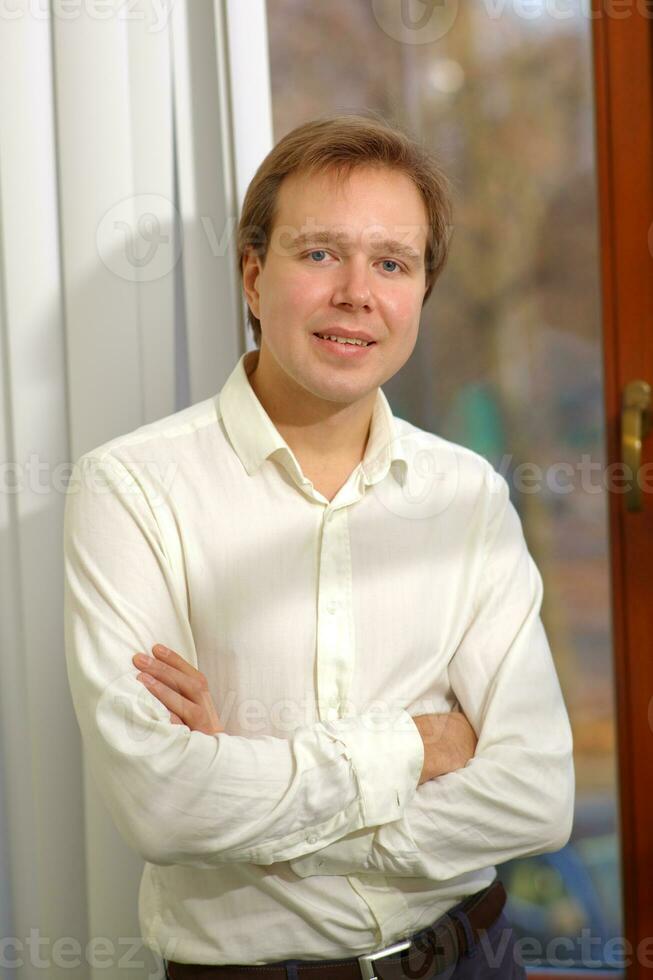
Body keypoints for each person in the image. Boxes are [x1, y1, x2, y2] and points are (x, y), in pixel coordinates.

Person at [63, 112, 575, 980]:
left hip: (471, 960)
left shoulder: (466, 498)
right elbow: (162, 807)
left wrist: (258, 821)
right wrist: (419, 748)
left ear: (419, 291)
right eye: (318, 254)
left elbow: (536, 796)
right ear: (254, 277)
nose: (356, 293)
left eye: (391, 262)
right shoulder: (131, 490)